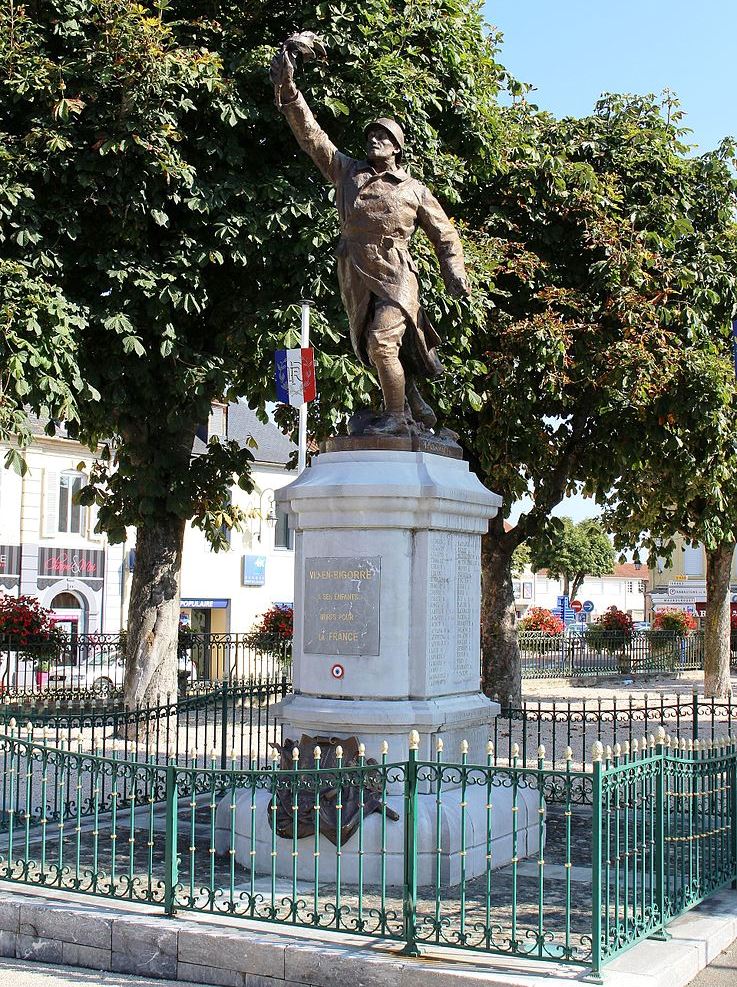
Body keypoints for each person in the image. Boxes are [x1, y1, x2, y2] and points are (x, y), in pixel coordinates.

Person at [271, 44, 471, 437]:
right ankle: (414, 406)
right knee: (370, 350)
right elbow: (312, 135)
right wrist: (288, 85)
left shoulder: (414, 189)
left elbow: (444, 234)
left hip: (397, 273)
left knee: (381, 343)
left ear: (397, 147)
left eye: (384, 136)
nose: (376, 140)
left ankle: (396, 418)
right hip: (355, 272)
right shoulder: (346, 172)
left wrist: (455, 271)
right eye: (372, 135)